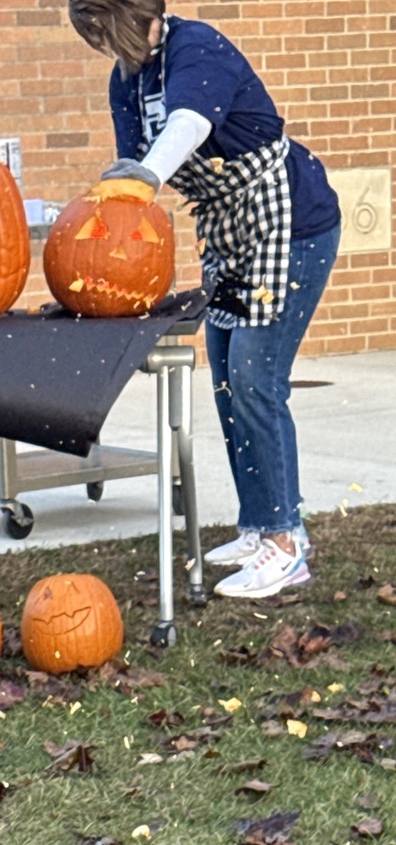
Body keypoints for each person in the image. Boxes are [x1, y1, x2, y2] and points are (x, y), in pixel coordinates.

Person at [68, 0, 341, 598]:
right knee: (225, 376)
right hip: (228, 230)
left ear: (139, 15)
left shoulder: (198, 48)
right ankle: (258, 523)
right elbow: (134, 166)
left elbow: (187, 126)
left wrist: (147, 176)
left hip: (291, 225)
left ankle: (286, 543)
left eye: (108, 32)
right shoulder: (128, 80)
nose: (108, 49)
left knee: (255, 377)